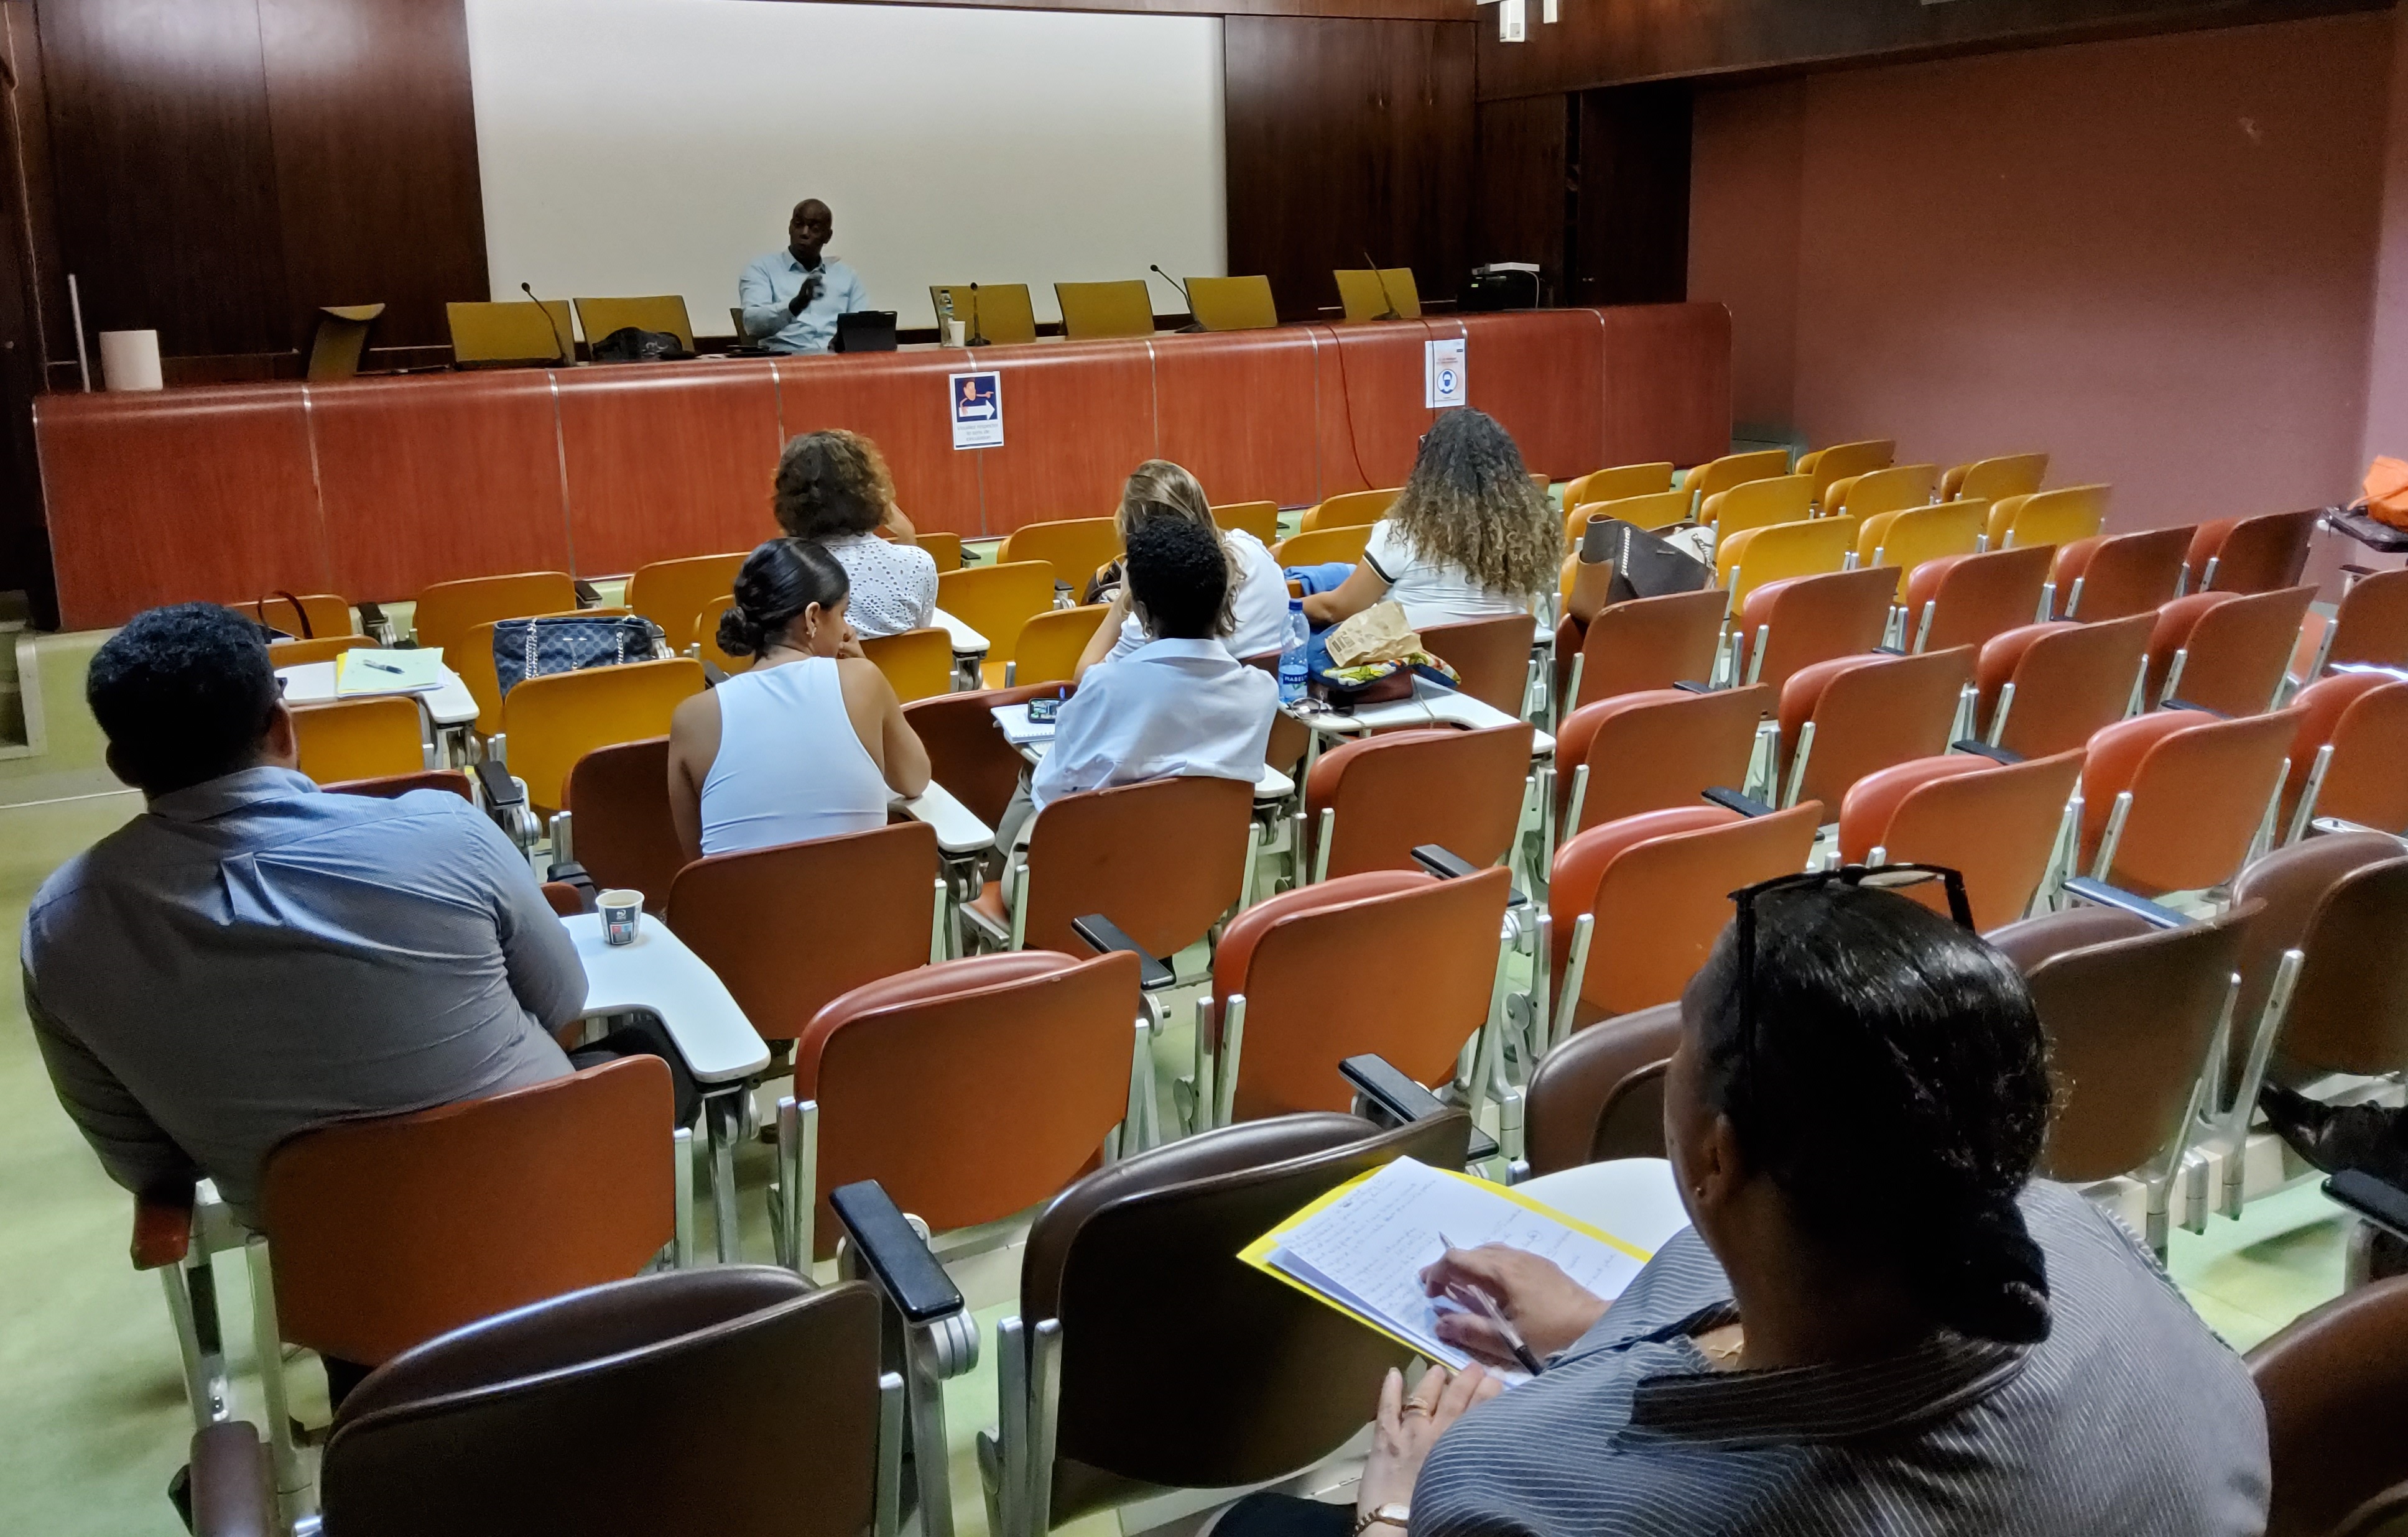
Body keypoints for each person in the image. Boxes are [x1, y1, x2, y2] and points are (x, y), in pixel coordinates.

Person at [1223, 871, 2270, 1537]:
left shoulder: (1507, 1488)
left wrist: (1401, 1506)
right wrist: (1604, 1331)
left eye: (1685, 1043)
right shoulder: (2082, 1245)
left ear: (1716, 1154)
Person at [24, 604, 702, 1234]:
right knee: (650, 1053)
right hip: (539, 1198)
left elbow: (146, 1162)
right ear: (284, 726)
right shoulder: (447, 829)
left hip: (341, 1272)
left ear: (121, 764)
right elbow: (563, 1002)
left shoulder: (62, 926)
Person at [994, 515, 1277, 850]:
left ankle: (992, 888)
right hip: (1198, 877)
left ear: (1140, 612)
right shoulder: (1262, 693)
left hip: (1089, 877)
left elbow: (1053, 792)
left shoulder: (1105, 688)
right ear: (1224, 601)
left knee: (1033, 783)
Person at [669, 538, 930, 860]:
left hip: (741, 908)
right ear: (812, 618)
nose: (848, 631)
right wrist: (859, 667)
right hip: (861, 907)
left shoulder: (691, 718)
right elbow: (915, 779)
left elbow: (700, 862)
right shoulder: (864, 679)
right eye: (843, 615)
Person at [1301, 408, 1557, 634]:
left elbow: (1336, 609)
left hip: (1415, 680)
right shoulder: (1528, 539)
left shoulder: (1401, 535)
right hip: (1496, 682)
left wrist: (1288, 607)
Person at [1073, 459, 1287, 681]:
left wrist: (1124, 601)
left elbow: (1086, 679)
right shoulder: (1251, 547)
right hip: (1273, 704)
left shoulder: (1155, 609)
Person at [771, 428, 939, 639]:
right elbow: (919, 636)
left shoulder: (781, 572)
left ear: (790, 500)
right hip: (902, 673)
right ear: (870, 489)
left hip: (826, 673)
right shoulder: (919, 563)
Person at [738, 198, 868, 354]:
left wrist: (845, 340)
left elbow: (863, 327)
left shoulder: (847, 276)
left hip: (836, 364)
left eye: (815, 228)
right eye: (799, 224)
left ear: (828, 236)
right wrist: (796, 304)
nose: (805, 233)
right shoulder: (762, 269)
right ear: (790, 228)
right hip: (785, 363)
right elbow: (752, 325)